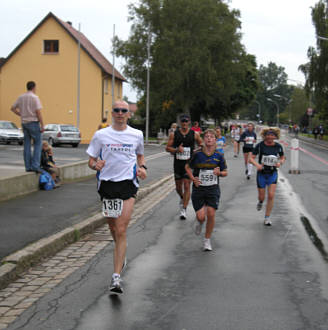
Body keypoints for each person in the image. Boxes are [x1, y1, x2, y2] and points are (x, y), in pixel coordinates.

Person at [87, 100, 147, 294]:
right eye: (117, 110)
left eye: (124, 111)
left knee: (121, 228)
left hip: (128, 184)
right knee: (112, 226)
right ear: (112, 113)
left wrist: (142, 168)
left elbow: (140, 156)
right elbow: (91, 159)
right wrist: (94, 165)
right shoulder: (101, 135)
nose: (120, 113)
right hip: (106, 184)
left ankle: (116, 278)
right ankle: (121, 254)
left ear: (129, 114)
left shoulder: (136, 134)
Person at [185, 129, 228, 251]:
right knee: (201, 216)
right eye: (207, 137)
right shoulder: (197, 154)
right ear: (204, 140)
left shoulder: (219, 155)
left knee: (211, 213)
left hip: (213, 189)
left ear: (215, 140)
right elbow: (187, 167)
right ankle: (199, 222)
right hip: (199, 189)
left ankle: (207, 240)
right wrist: (193, 179)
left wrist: (219, 173)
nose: (209, 138)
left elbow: (226, 172)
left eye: (211, 137)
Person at [166, 114, 202, 220]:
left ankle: (184, 209)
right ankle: (182, 198)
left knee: (187, 185)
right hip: (178, 164)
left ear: (189, 122)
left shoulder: (194, 134)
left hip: (189, 164)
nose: (184, 123)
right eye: (183, 121)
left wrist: (195, 152)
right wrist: (176, 150)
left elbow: (202, 144)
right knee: (178, 187)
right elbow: (167, 148)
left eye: (186, 121)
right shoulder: (174, 134)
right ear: (180, 122)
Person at [249, 128, 285, 226]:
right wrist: (257, 165)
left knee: (271, 195)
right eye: (268, 135)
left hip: (272, 173)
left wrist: (280, 163)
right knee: (262, 196)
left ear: (275, 136)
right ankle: (260, 202)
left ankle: (267, 217)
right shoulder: (260, 146)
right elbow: (251, 158)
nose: (270, 137)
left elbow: (282, 157)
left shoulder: (278, 146)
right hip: (262, 173)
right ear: (265, 135)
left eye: (272, 135)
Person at [11, 81, 44, 173]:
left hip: (24, 123)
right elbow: (38, 112)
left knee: (27, 145)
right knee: (37, 144)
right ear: (34, 87)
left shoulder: (21, 97)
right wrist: (42, 124)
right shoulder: (35, 97)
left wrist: (21, 114)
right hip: (33, 122)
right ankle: (35, 165)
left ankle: (28, 166)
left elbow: (12, 108)